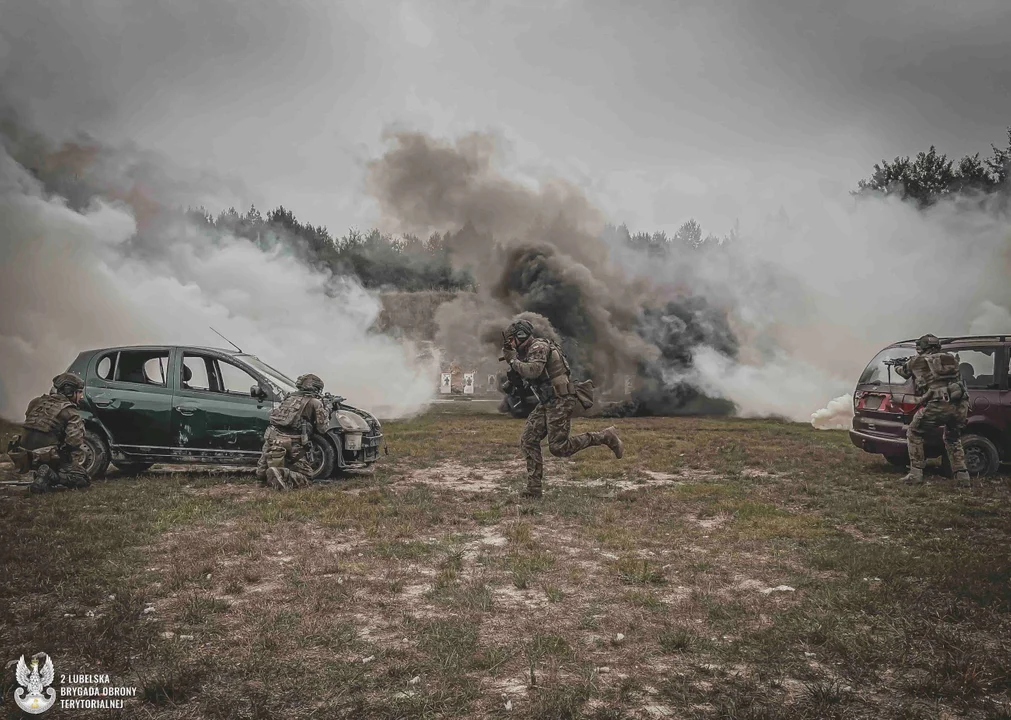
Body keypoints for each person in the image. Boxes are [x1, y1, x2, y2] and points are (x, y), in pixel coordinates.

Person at [502, 319, 623, 498]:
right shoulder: (528, 353)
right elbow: (535, 379)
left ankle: (606, 436)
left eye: (512, 340)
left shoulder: (538, 347)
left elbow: (534, 370)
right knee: (528, 440)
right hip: (547, 402)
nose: (511, 344)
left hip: (560, 400)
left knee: (559, 447)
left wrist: (513, 361)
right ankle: (534, 489)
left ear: (521, 335)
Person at [894, 334, 970, 485]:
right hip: (960, 405)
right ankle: (963, 476)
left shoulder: (917, 361)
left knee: (914, 432)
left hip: (939, 404)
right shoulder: (950, 358)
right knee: (952, 438)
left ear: (922, 348)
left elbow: (904, 372)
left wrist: (897, 365)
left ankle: (915, 474)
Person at [11, 373, 91, 494]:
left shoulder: (36, 402)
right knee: (83, 478)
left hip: (24, 455)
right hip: (47, 456)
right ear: (70, 392)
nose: (81, 396)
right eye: (79, 392)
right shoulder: (70, 411)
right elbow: (74, 442)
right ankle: (50, 475)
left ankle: (41, 474)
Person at [255, 373, 330, 490]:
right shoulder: (315, 402)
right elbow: (322, 429)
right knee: (307, 478)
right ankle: (281, 474)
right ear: (315, 388)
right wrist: (326, 410)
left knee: (263, 466)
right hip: (292, 442)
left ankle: (262, 477)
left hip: (272, 436)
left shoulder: (289, 397)